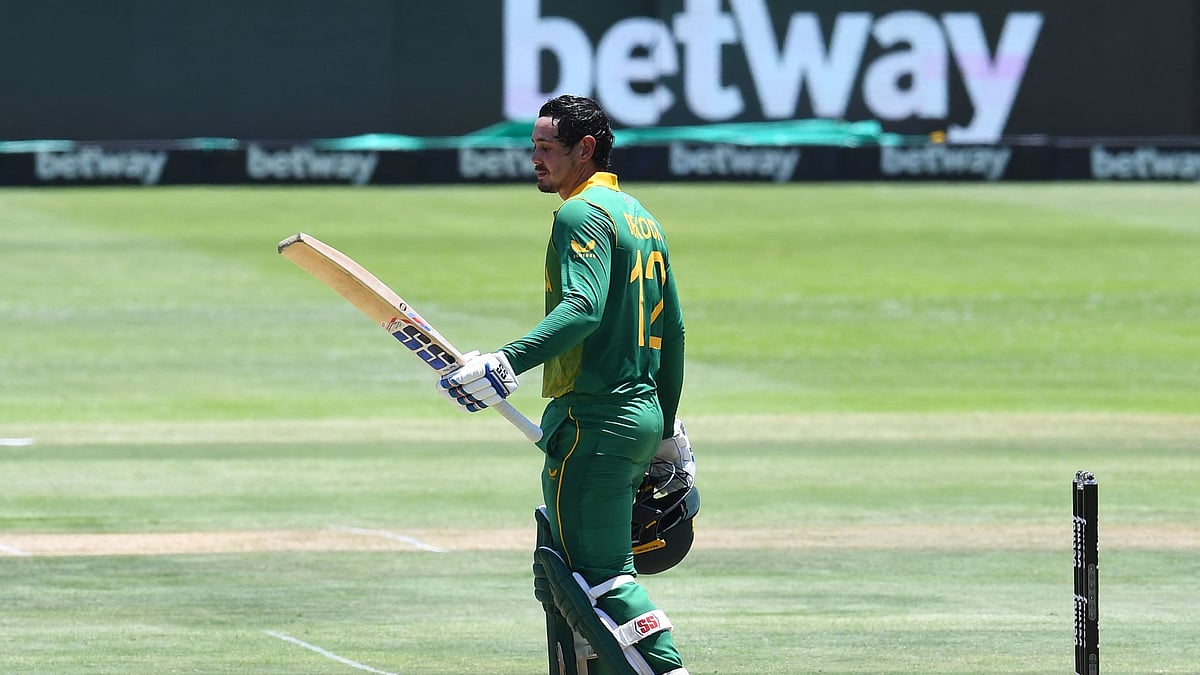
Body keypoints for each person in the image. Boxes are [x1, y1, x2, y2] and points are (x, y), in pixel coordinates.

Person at [437, 94, 691, 675]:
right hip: (638, 414)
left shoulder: (582, 214)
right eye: (533, 148)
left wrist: (507, 363)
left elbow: (582, 309)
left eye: (547, 149)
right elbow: (673, 333)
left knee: (592, 578)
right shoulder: (641, 217)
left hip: (593, 421)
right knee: (570, 568)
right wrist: (665, 429)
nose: (535, 159)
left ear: (586, 149)